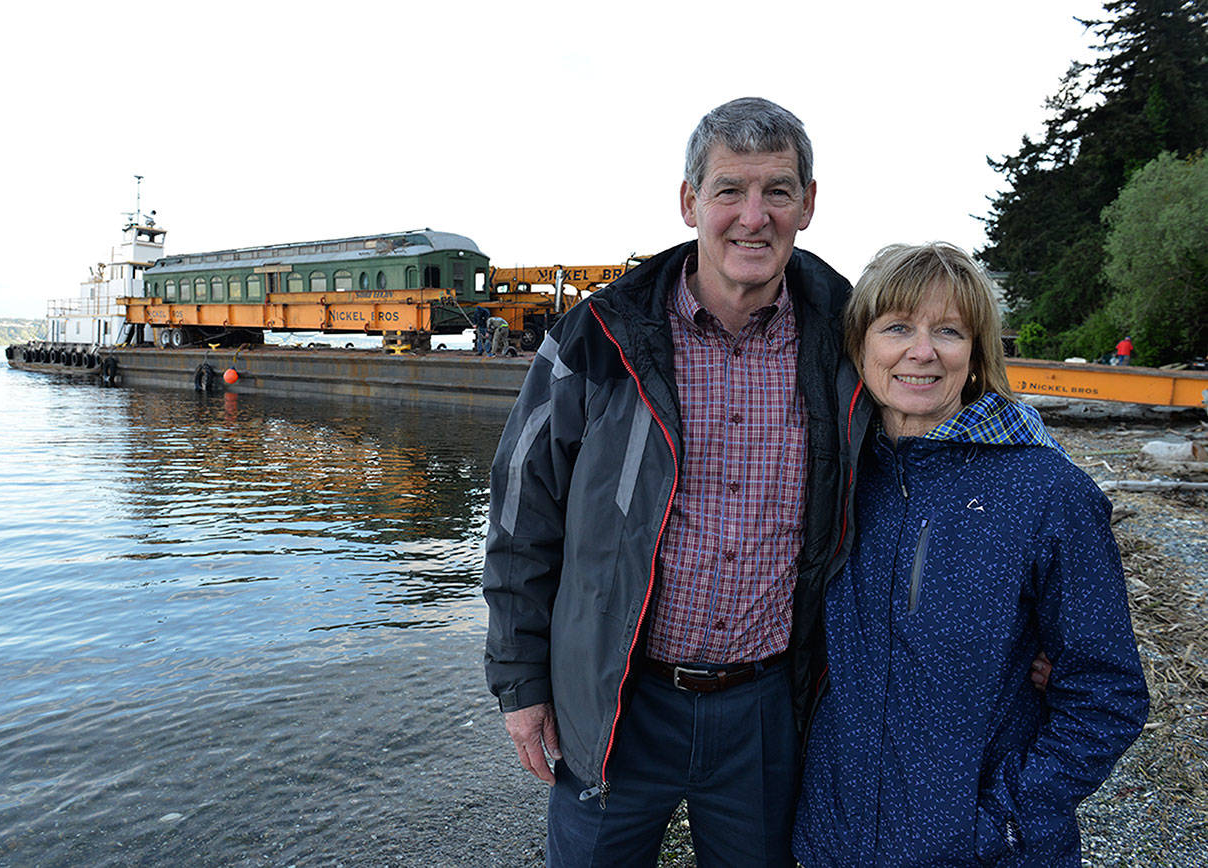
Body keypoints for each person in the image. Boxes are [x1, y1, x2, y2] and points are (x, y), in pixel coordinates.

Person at [483, 97, 852, 865]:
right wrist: (521, 685)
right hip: (619, 701)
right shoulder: (598, 335)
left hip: (767, 709)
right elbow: (522, 518)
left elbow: (931, 476)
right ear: (690, 203)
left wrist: (1028, 620)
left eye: (778, 191)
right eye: (729, 190)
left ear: (808, 205)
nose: (753, 217)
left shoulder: (849, 339)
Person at [793, 243, 1148, 865]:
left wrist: (1008, 819)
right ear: (860, 345)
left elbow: (1106, 690)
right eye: (897, 326)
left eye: (948, 331)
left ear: (977, 353)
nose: (921, 351)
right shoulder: (836, 478)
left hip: (980, 849)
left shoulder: (1045, 491)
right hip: (836, 840)